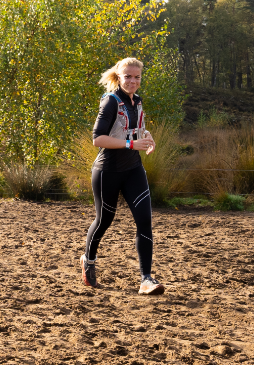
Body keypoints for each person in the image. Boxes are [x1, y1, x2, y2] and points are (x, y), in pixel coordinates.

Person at [80, 57, 164, 295]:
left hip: (134, 170)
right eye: (128, 76)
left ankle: (146, 279)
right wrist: (130, 144)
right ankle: (89, 260)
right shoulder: (110, 102)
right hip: (108, 171)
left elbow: (136, 127)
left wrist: (147, 137)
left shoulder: (137, 100)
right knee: (104, 221)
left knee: (144, 221)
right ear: (119, 76)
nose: (133, 81)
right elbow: (98, 139)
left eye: (137, 77)